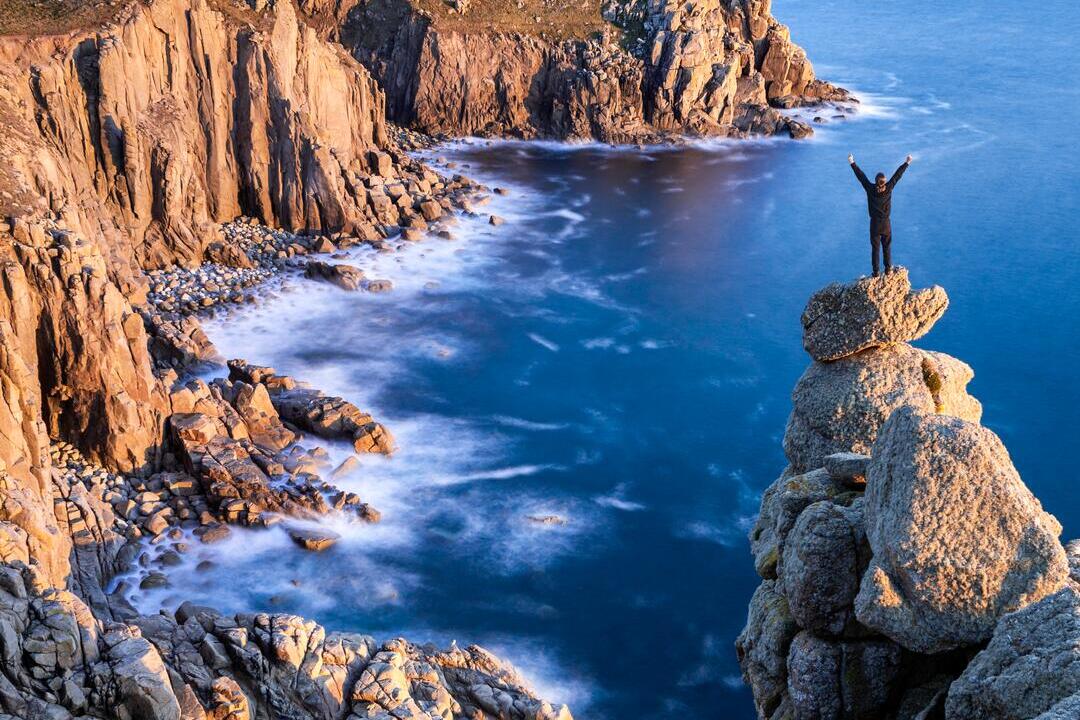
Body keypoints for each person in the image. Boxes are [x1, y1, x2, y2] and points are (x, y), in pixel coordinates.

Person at [849, 153, 913, 277]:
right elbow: (897, 175)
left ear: (876, 181)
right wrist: (907, 162)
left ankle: (876, 272)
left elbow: (861, 176)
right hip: (886, 224)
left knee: (875, 249)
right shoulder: (888, 188)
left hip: (874, 224)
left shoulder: (870, 188)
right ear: (884, 182)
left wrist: (852, 162)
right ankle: (888, 269)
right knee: (887, 247)